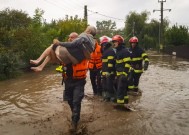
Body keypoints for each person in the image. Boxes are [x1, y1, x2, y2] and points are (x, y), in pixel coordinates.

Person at [30, 25, 96, 72]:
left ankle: (38, 61)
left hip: (71, 61)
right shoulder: (92, 43)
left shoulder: (84, 36)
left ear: (89, 31)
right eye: (69, 37)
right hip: (71, 65)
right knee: (51, 50)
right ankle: (40, 66)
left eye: (71, 37)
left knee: (53, 46)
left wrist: (59, 43)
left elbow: (72, 44)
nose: (69, 38)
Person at [112, 35, 131, 108]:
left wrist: (124, 74)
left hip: (123, 74)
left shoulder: (124, 51)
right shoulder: (118, 51)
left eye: (115, 42)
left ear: (119, 42)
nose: (114, 43)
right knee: (123, 89)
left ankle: (120, 105)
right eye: (113, 42)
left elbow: (127, 63)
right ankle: (125, 101)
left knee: (120, 89)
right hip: (119, 74)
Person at [100, 36, 116, 102]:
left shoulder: (110, 51)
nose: (103, 46)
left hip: (109, 72)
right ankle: (107, 98)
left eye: (104, 44)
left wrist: (109, 71)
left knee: (110, 86)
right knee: (105, 86)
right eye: (102, 45)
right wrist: (102, 71)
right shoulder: (105, 51)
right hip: (105, 72)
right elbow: (104, 63)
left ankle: (113, 98)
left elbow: (110, 63)